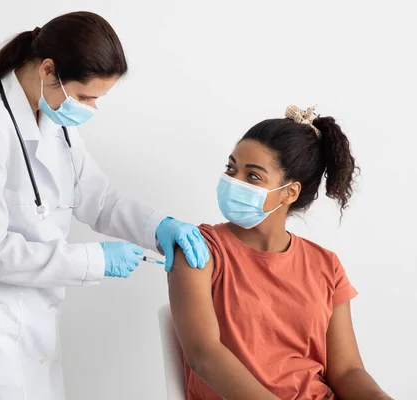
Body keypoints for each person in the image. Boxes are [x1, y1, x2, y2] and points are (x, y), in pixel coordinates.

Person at [0, 11, 208, 400]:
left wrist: (159, 227)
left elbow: (98, 199)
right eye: (86, 96)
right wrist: (96, 260)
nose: (89, 108)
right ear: (48, 69)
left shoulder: (56, 121)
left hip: (34, 339)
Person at [168, 105, 393, 400]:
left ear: (290, 192)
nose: (234, 181)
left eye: (253, 177)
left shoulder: (326, 265)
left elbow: (347, 370)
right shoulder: (199, 250)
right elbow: (204, 356)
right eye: (231, 168)